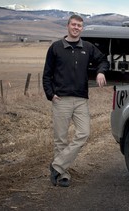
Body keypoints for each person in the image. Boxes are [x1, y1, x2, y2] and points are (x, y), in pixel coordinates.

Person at [42, 14, 108, 187]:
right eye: (74, 24)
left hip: (80, 100)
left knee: (84, 133)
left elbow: (103, 60)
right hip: (61, 99)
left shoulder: (87, 47)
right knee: (60, 139)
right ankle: (63, 174)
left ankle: (56, 165)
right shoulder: (56, 47)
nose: (76, 27)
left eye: (79, 25)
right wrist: (50, 94)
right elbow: (47, 74)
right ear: (68, 26)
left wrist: (101, 71)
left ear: (82, 28)